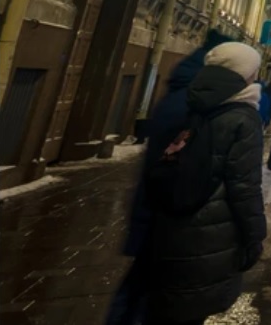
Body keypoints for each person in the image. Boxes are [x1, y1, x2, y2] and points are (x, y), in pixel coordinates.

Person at [106, 29, 234, 325]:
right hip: (173, 220)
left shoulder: (192, 90)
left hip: (166, 216)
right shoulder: (195, 101)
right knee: (154, 300)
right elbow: (179, 168)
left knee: (146, 293)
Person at [143, 42, 267, 325]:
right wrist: (254, 237)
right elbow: (244, 186)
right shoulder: (242, 116)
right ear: (244, 73)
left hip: (174, 226)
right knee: (190, 309)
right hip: (212, 230)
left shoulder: (195, 99)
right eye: (253, 71)